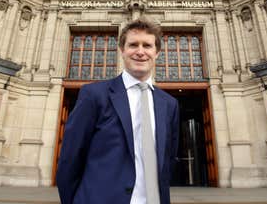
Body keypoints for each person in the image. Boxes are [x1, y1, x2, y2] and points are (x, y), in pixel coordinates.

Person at [56, 17, 180, 204]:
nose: (140, 52)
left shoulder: (169, 104)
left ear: (157, 53)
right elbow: (70, 159)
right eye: (133, 45)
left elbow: (168, 160)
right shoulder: (94, 95)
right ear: (122, 50)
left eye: (147, 45)